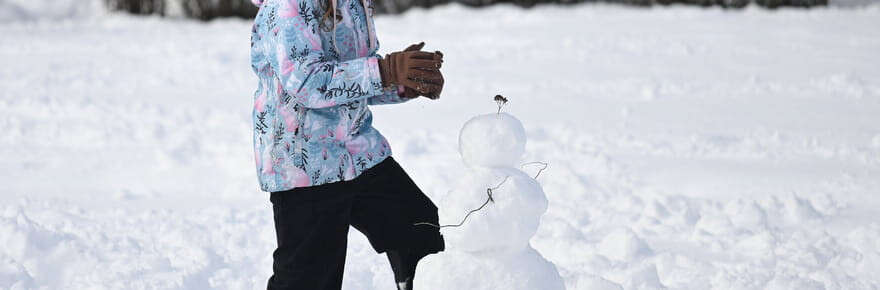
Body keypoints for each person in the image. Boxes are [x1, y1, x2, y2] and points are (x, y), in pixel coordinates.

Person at [248, 0, 446, 289]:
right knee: (309, 278)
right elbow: (306, 82)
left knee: (419, 230)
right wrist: (384, 71)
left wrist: (401, 82)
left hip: (357, 151)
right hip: (305, 163)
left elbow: (353, 78)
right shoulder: (286, 5)